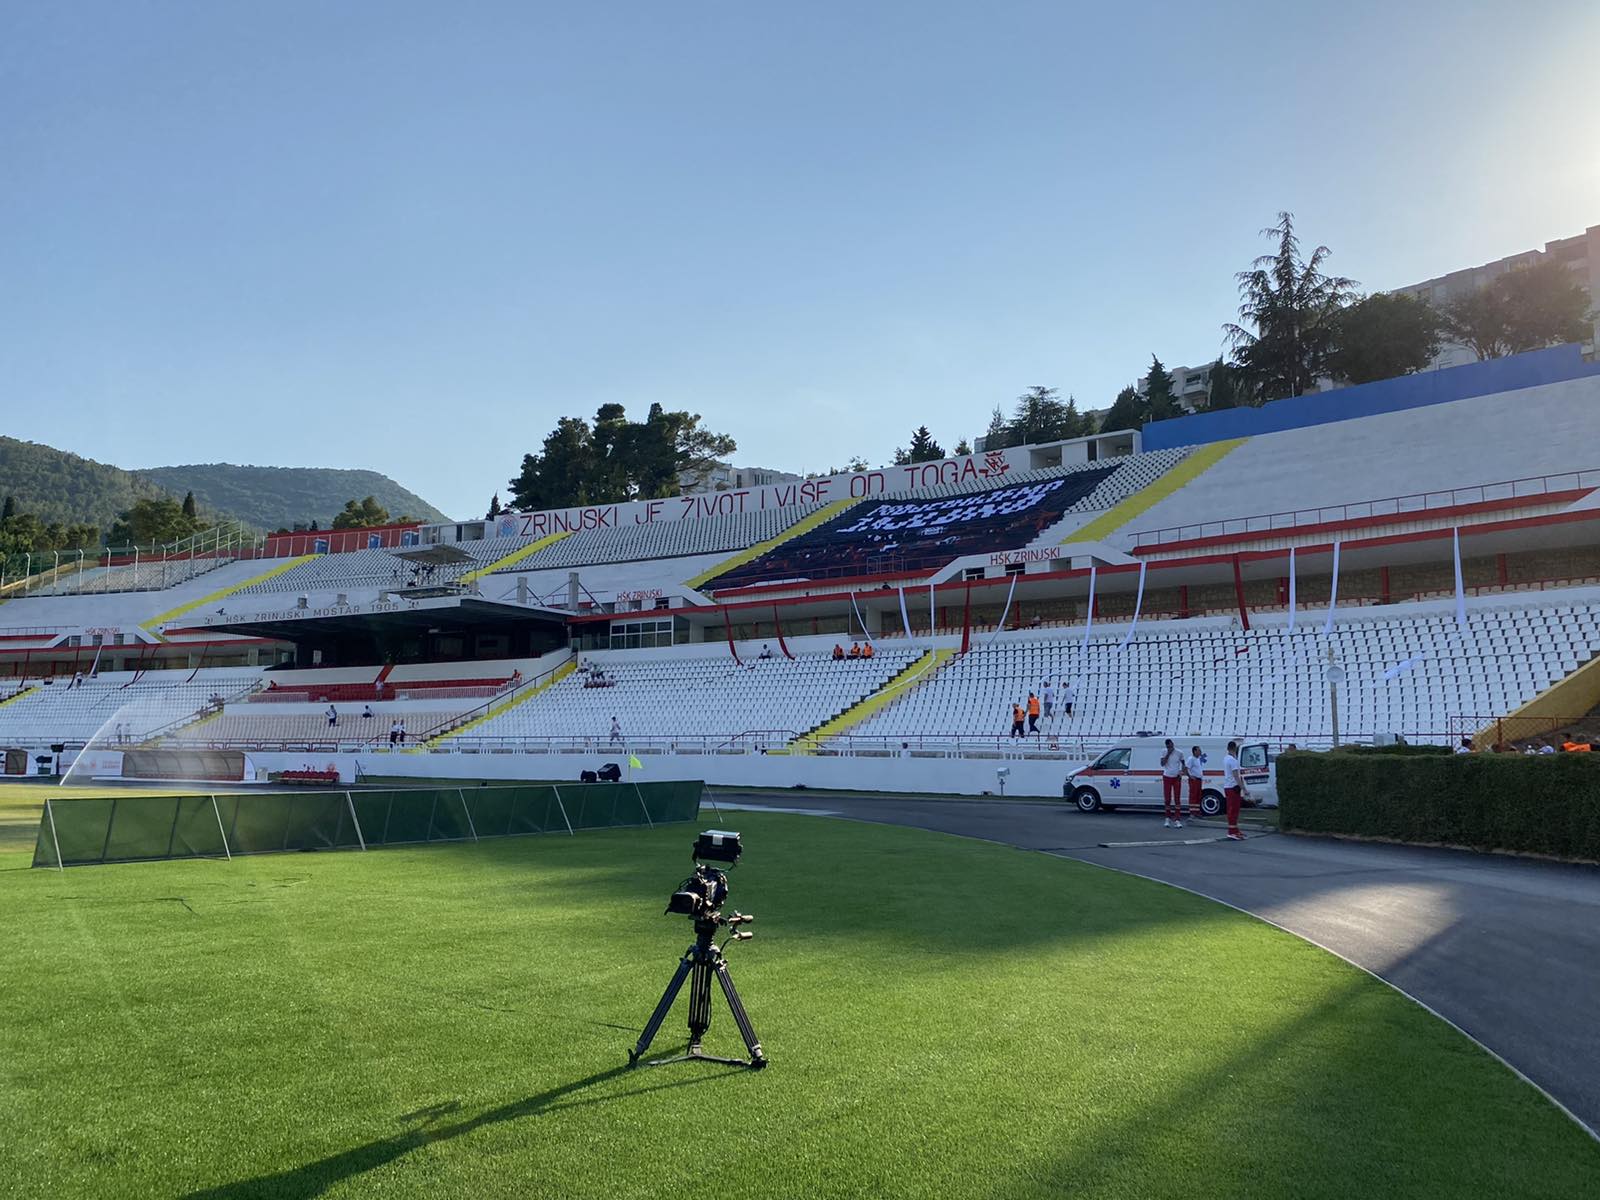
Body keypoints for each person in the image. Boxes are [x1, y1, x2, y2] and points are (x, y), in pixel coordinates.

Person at [1222, 741, 1246, 841]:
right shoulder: (1232, 760)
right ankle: (1231, 832)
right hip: (1233, 787)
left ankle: (1235, 830)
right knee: (1233, 810)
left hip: (1229, 787)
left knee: (1233, 809)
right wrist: (1244, 788)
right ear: (1235, 749)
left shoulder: (1226, 758)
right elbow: (1236, 776)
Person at [1160, 739, 1185, 827]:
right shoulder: (1164, 752)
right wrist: (1168, 754)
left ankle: (1177, 819)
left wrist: (1182, 771)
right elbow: (1162, 764)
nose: (1170, 747)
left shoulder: (1179, 752)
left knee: (1177, 798)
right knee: (1167, 799)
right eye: (1168, 747)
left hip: (1176, 777)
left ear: (1173, 744)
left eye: (1171, 746)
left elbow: (1183, 763)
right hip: (1167, 776)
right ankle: (1167, 818)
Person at [1184, 745, 1205, 820]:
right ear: (1195, 751)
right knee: (1193, 796)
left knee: (1198, 796)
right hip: (1194, 780)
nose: (1200, 752)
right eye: (1199, 750)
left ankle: (1197, 812)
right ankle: (1192, 813)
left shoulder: (1197, 759)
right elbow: (1185, 769)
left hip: (1199, 780)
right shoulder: (1191, 759)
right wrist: (1190, 776)